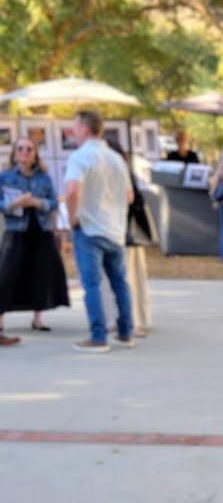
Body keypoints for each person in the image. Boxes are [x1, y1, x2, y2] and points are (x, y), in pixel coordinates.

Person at [63, 110, 134, 354]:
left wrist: (72, 216)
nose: (73, 131)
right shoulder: (117, 159)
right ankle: (125, 332)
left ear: (84, 128)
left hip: (89, 228)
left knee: (91, 285)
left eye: (75, 126)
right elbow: (129, 195)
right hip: (115, 228)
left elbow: (71, 190)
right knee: (120, 283)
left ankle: (98, 336)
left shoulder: (79, 157)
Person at [0, 138, 70, 346]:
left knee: (41, 273)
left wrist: (37, 203)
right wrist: (15, 203)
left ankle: (38, 318)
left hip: (41, 230)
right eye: (20, 148)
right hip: (16, 230)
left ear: (35, 154)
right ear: (14, 154)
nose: (25, 152)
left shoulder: (44, 178)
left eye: (29, 149)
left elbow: (53, 202)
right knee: (7, 274)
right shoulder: (5, 176)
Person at [107, 140, 156, 337]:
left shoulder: (124, 175)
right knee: (113, 279)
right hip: (112, 232)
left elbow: (133, 202)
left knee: (129, 279)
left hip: (126, 234)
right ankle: (115, 318)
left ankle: (134, 320)